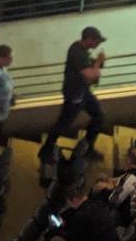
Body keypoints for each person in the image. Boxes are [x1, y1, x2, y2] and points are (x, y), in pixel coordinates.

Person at [42, 25, 107, 164]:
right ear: (89, 39)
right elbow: (90, 76)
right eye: (97, 41)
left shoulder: (82, 51)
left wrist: (96, 64)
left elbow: (88, 69)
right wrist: (98, 63)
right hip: (74, 95)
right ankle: (46, 151)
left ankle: (88, 147)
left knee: (99, 116)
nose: (98, 44)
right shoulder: (77, 52)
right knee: (63, 124)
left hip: (82, 92)